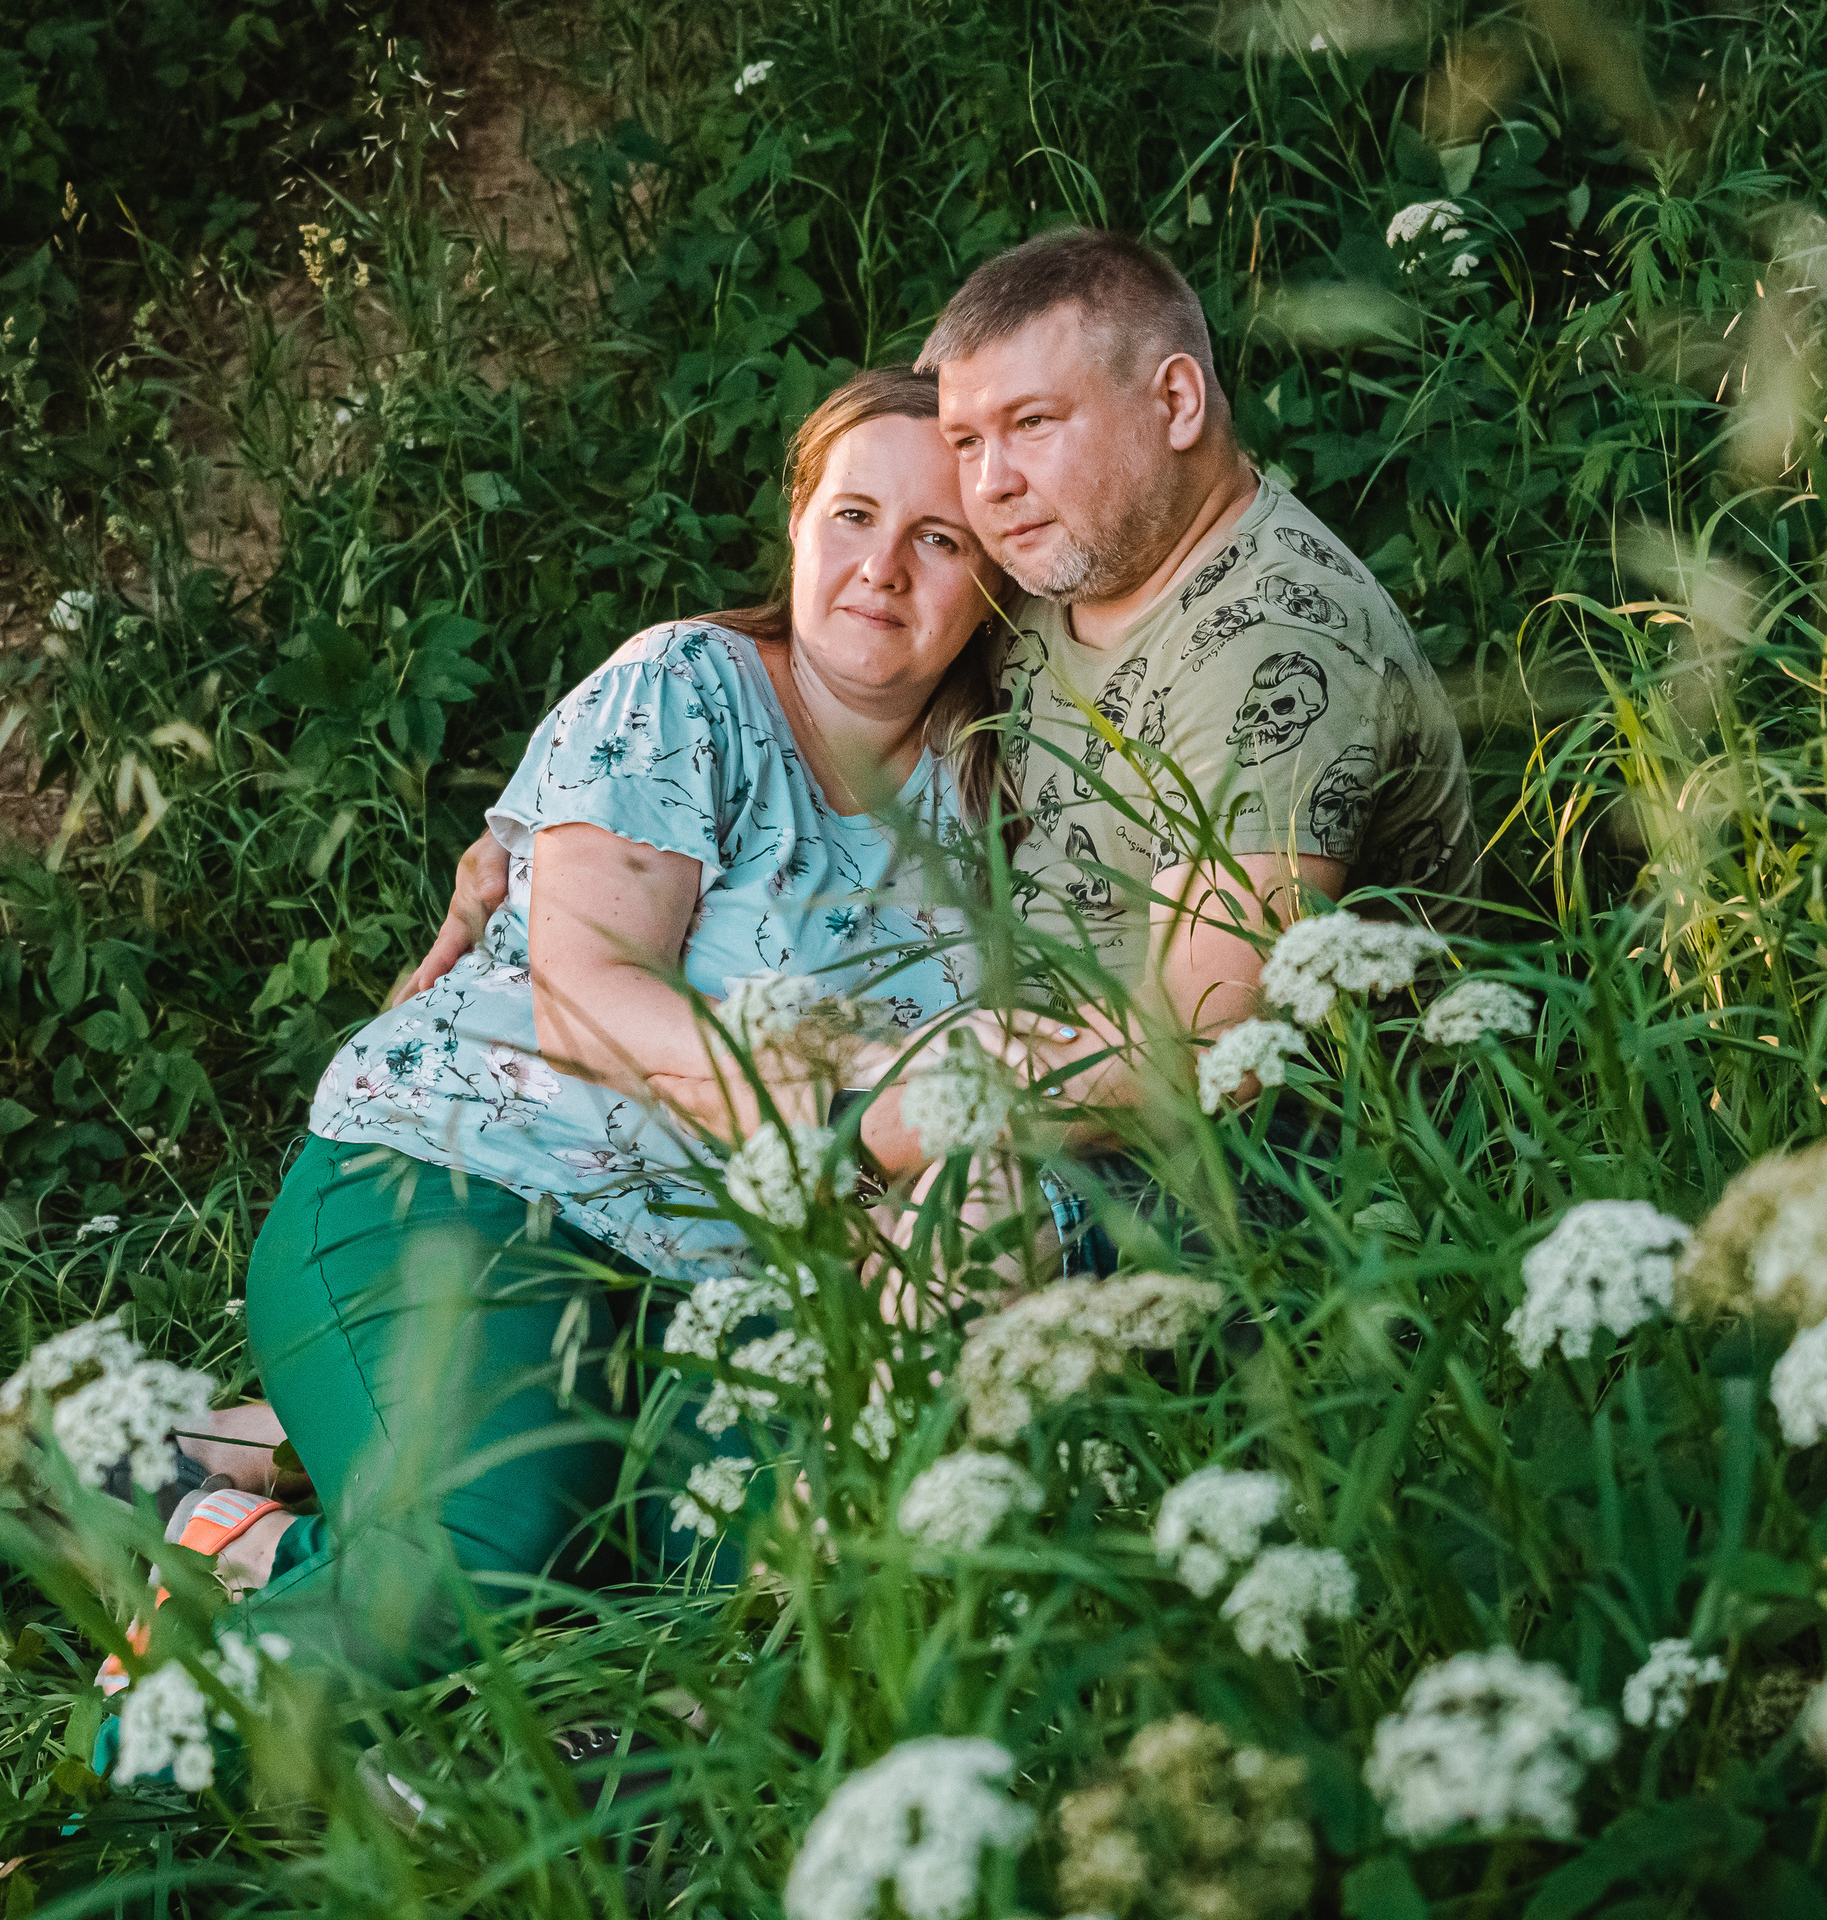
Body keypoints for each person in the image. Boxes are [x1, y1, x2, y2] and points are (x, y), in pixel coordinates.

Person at [141, 368, 1008, 1693]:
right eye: (853, 515)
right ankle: (129, 1789)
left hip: (718, 1292)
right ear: (796, 521)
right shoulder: (690, 685)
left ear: (993, 576)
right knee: (475, 1562)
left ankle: (214, 1511)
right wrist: (849, 1122)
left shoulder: (986, 794)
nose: (882, 568)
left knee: (758, 1590)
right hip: (475, 1178)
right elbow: (592, 993)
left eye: (937, 538)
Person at [406, 230, 1474, 1117]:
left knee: (953, 1223)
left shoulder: (1274, 649)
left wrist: (881, 1129)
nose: (992, 485)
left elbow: (1205, 1059)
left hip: (1206, 1154)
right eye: (969, 441)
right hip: (976, 1089)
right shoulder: (1055, 563)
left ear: (1178, 401)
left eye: (1033, 424)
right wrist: (552, 828)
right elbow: (843, 629)